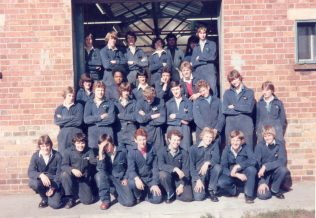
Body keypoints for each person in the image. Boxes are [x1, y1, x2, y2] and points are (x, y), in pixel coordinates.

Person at [95, 134, 135, 210]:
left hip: (120, 179)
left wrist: (126, 178)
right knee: (99, 175)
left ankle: (113, 191)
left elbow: (129, 166)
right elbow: (101, 170)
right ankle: (105, 200)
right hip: (108, 178)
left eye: (107, 145)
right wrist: (100, 153)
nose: (105, 148)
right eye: (103, 146)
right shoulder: (102, 155)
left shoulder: (122, 151)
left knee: (129, 202)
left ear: (112, 142)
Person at [218, 130, 257, 204]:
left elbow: (253, 160)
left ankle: (248, 195)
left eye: (238, 140)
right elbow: (223, 166)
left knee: (252, 169)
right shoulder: (227, 149)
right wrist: (235, 174)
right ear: (230, 140)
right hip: (231, 175)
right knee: (221, 182)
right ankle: (235, 191)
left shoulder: (247, 147)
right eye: (233, 140)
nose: (235, 142)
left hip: (244, 174)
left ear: (241, 141)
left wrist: (238, 166)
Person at [127, 128, 163, 204]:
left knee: (157, 200)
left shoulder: (152, 149)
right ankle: (138, 195)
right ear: (135, 140)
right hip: (139, 179)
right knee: (132, 183)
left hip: (149, 179)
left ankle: (145, 194)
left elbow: (155, 168)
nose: (142, 142)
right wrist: (137, 179)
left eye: (144, 139)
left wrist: (154, 183)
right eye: (139, 140)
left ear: (146, 139)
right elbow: (131, 170)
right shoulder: (131, 152)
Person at [61, 133, 96, 208]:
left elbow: (93, 161)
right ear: (74, 143)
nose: (80, 145)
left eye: (82, 143)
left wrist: (98, 158)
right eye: (78, 143)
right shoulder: (68, 151)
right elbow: (63, 165)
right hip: (72, 178)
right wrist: (72, 169)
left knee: (88, 201)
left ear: (85, 143)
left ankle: (78, 192)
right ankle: (70, 198)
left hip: (83, 178)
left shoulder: (89, 151)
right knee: (64, 174)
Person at [222, 70, 255, 148]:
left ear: (239, 78)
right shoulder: (227, 93)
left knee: (248, 147)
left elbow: (249, 108)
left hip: (246, 124)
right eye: (231, 80)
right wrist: (242, 110)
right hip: (231, 124)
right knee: (230, 148)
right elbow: (225, 109)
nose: (233, 82)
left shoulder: (249, 92)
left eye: (235, 79)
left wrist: (234, 106)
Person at [158, 130, 193, 203]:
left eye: (178, 140)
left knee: (188, 198)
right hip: (168, 178)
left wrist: (181, 185)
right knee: (162, 174)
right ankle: (169, 192)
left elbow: (186, 170)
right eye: (174, 140)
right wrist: (175, 168)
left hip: (179, 179)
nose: (176, 142)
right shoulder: (162, 151)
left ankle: (174, 191)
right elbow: (160, 165)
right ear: (169, 140)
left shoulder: (184, 153)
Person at [28, 135, 63, 209]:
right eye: (43, 146)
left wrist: (53, 188)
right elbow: (30, 171)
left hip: (54, 182)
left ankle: (59, 193)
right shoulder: (35, 156)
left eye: (47, 145)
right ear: (39, 146)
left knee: (55, 205)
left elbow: (59, 174)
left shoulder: (57, 156)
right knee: (33, 182)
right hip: (42, 181)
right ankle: (44, 198)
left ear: (51, 145)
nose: (45, 148)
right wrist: (41, 175)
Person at [255, 125, 289, 200]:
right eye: (265, 136)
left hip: (275, 172)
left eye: (269, 135)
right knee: (263, 196)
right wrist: (262, 182)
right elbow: (257, 165)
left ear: (273, 135)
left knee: (283, 169)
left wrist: (265, 166)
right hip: (263, 175)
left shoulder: (279, 144)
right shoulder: (259, 146)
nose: (267, 138)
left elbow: (282, 161)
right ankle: (266, 186)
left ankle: (275, 189)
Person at [190, 127, 222, 202]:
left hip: (209, 172)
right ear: (202, 136)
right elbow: (191, 166)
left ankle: (211, 190)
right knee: (199, 197)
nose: (209, 139)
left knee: (218, 167)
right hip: (199, 174)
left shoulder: (214, 145)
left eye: (211, 137)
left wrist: (207, 163)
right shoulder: (193, 148)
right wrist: (197, 179)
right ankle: (203, 187)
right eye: (207, 136)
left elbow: (217, 159)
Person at [84, 81, 116, 149]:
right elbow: (86, 119)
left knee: (108, 155)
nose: (100, 92)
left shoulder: (110, 103)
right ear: (94, 91)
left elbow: (111, 119)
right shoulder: (89, 103)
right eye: (98, 90)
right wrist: (100, 117)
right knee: (95, 156)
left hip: (107, 132)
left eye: (102, 90)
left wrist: (94, 121)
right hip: (93, 133)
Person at [135, 86, 166, 152]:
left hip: (157, 131)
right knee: (146, 152)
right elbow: (139, 119)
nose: (149, 100)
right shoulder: (139, 102)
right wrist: (151, 116)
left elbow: (162, 119)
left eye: (150, 98)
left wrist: (145, 117)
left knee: (159, 152)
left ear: (154, 95)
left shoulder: (160, 101)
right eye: (146, 98)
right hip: (144, 131)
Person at [54, 86, 83, 154]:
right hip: (63, 136)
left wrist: (63, 118)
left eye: (73, 96)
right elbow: (57, 121)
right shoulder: (60, 108)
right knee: (63, 155)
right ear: (65, 96)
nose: (72, 98)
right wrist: (72, 117)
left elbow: (78, 121)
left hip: (76, 134)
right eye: (69, 96)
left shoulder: (79, 106)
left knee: (76, 154)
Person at [166, 81, 193, 151]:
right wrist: (180, 120)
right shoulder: (168, 103)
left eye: (177, 89)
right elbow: (166, 119)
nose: (175, 92)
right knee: (172, 150)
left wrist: (176, 115)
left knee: (185, 150)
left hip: (184, 128)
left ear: (180, 88)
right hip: (172, 128)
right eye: (173, 90)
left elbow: (190, 117)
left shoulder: (188, 101)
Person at [191, 26, 218, 96]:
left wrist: (200, 58)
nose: (202, 35)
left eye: (204, 33)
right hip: (199, 72)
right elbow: (193, 63)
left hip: (210, 71)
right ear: (197, 34)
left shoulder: (212, 44)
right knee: (200, 91)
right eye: (201, 33)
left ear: (206, 34)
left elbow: (213, 57)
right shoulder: (196, 47)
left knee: (212, 90)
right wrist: (206, 60)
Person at [113, 82, 137, 149]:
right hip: (119, 130)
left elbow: (135, 117)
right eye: (124, 91)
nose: (126, 93)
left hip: (131, 130)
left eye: (128, 91)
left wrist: (120, 116)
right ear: (120, 91)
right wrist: (128, 117)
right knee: (121, 153)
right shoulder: (115, 103)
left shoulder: (134, 102)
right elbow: (113, 116)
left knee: (132, 150)